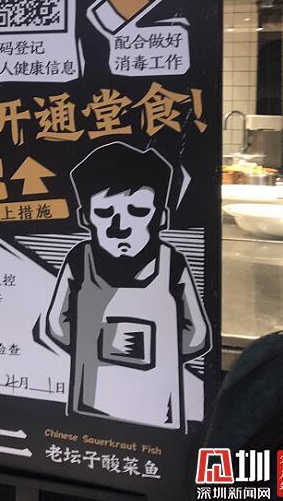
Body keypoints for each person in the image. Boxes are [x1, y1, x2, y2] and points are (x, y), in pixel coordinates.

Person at [45, 142, 210, 431]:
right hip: (97, 405)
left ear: (161, 217)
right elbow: (56, 324)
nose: (120, 226)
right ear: (85, 218)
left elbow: (198, 335)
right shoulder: (79, 260)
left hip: (154, 406)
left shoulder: (172, 263)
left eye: (138, 211)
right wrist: (108, 340)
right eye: (104, 213)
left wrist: (147, 347)